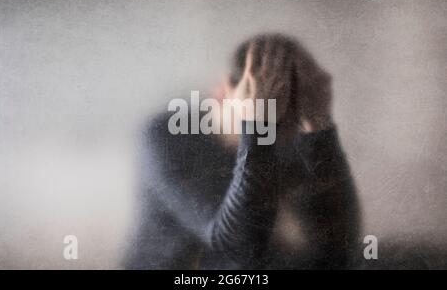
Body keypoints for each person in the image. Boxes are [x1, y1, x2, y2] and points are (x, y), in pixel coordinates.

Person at [125, 33, 361, 269]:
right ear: (221, 94)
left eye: (285, 123)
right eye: (270, 119)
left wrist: (320, 128)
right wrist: (257, 124)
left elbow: (337, 249)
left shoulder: (292, 134)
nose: (277, 136)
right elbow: (239, 247)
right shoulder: (169, 135)